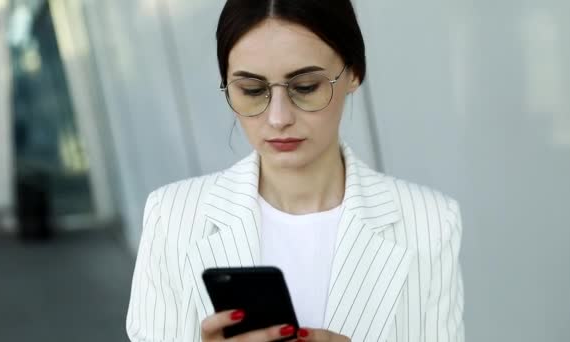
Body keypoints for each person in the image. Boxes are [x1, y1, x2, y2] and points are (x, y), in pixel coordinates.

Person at [126, 0, 465, 341]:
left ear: (354, 73)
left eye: (305, 87)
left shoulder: (429, 221)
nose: (278, 117)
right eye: (252, 91)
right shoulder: (171, 218)